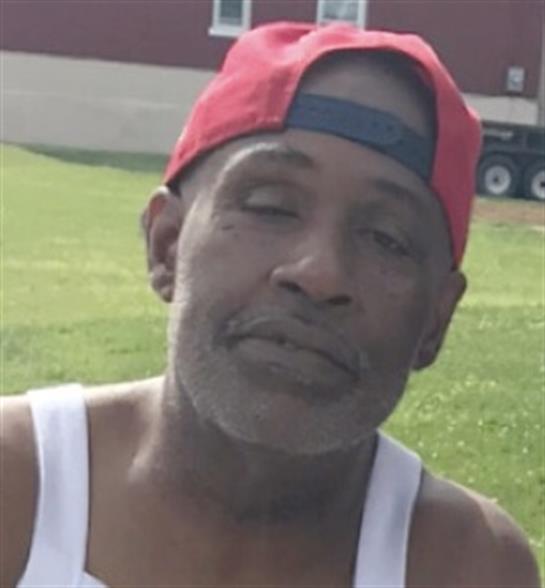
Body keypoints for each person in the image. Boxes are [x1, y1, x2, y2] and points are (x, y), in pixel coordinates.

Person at [1, 21, 540, 588]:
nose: (320, 273)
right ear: (167, 244)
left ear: (436, 319)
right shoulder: (20, 489)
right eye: (270, 206)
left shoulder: (468, 565)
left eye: (387, 239)